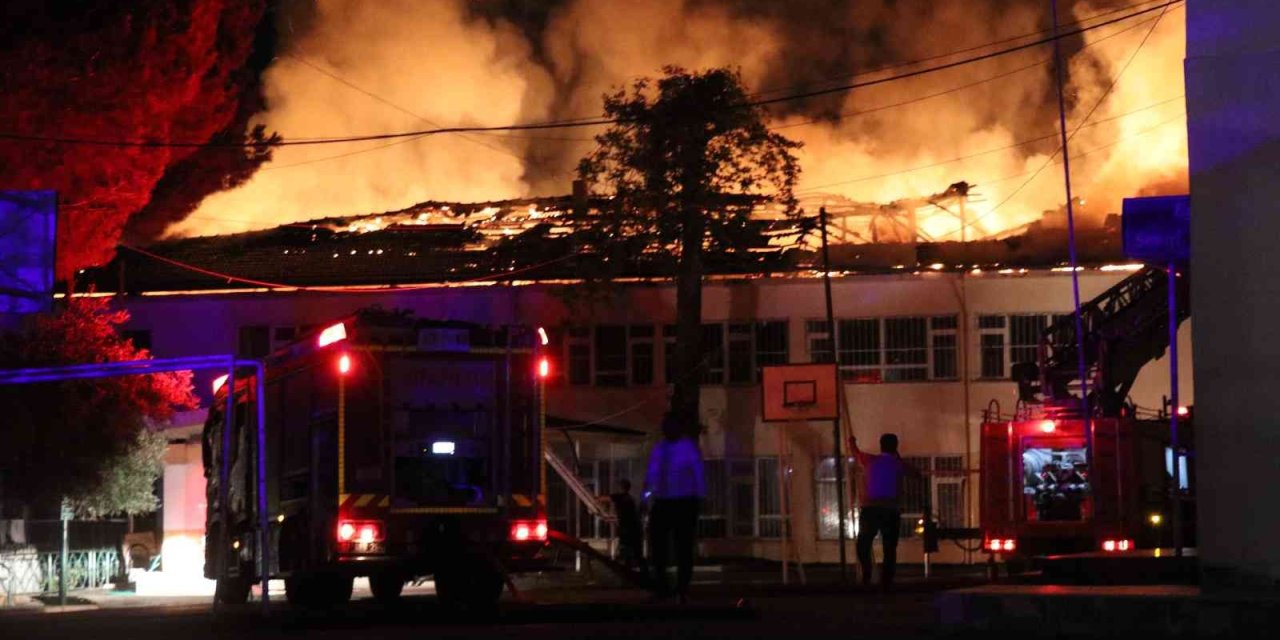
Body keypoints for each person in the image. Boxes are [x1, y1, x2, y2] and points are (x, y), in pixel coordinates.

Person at [644, 412, 705, 601]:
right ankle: (662, 585)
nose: (666, 430)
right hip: (664, 502)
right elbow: (652, 475)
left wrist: (700, 497)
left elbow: (698, 474)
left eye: (669, 426)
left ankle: (682, 587)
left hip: (684, 502)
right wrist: (645, 497)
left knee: (683, 547)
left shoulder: (688, 448)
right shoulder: (659, 449)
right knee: (658, 545)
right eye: (665, 426)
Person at [848, 433, 920, 591]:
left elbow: (855, 452)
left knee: (863, 544)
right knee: (889, 547)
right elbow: (916, 474)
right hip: (890, 510)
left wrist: (852, 441)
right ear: (896, 446)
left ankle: (867, 573)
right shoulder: (898, 464)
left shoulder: (870, 460)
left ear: (880, 445)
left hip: (870, 509)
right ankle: (886, 580)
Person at [606, 479, 645, 571]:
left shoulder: (620, 497)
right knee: (636, 551)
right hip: (635, 528)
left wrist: (594, 499)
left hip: (627, 529)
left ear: (621, 487)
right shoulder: (630, 499)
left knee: (627, 549)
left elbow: (604, 499)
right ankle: (639, 569)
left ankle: (629, 569)